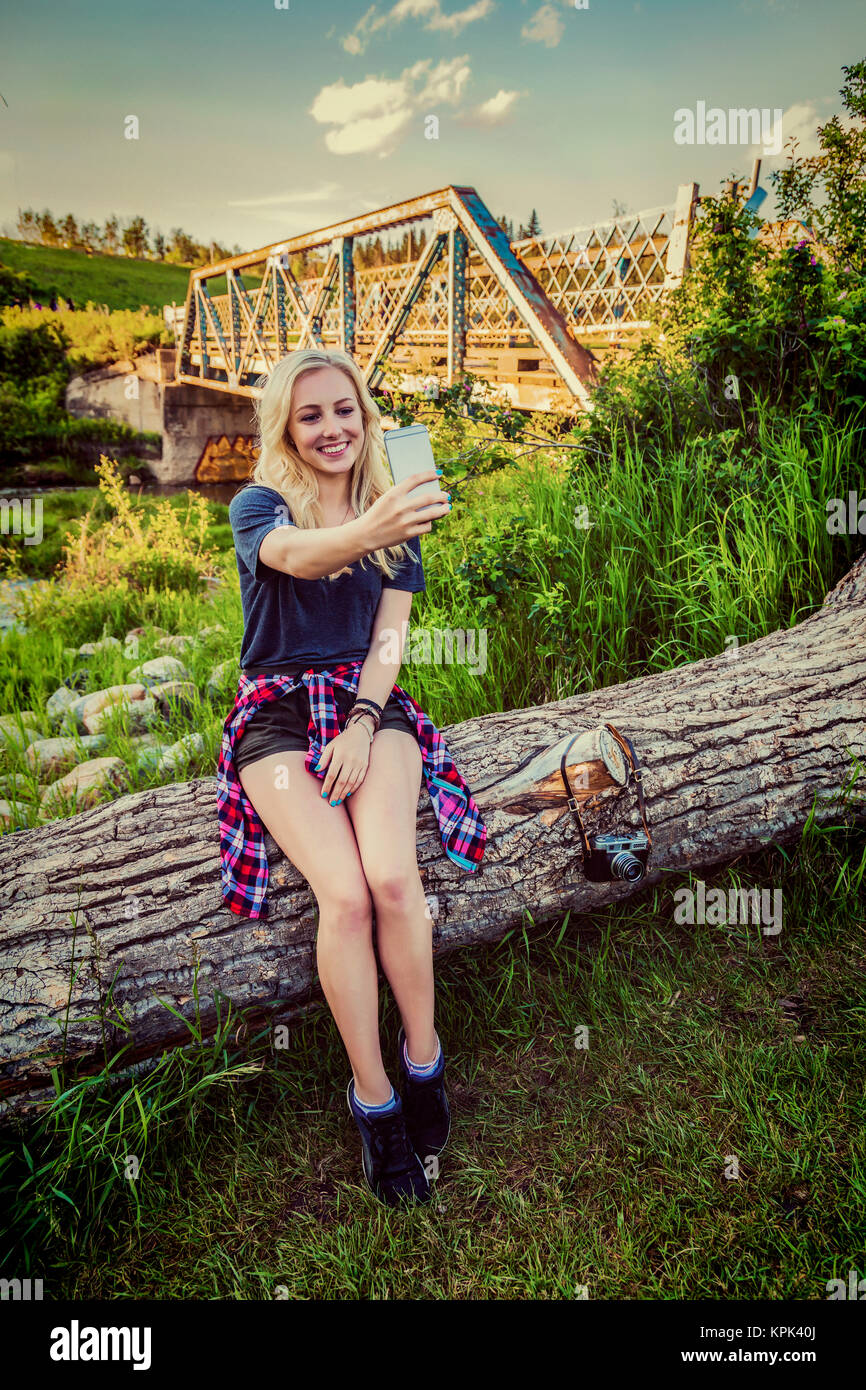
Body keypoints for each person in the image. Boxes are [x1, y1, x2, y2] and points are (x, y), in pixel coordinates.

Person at [218, 347, 487, 1208]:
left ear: (366, 418)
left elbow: (391, 641)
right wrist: (375, 530)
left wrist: (368, 723)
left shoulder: (393, 518)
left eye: (345, 410)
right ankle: (373, 1101)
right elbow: (299, 557)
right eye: (310, 416)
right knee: (344, 897)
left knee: (394, 880)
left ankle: (423, 1061)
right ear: (287, 431)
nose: (331, 428)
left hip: (370, 705)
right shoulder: (259, 507)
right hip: (278, 717)